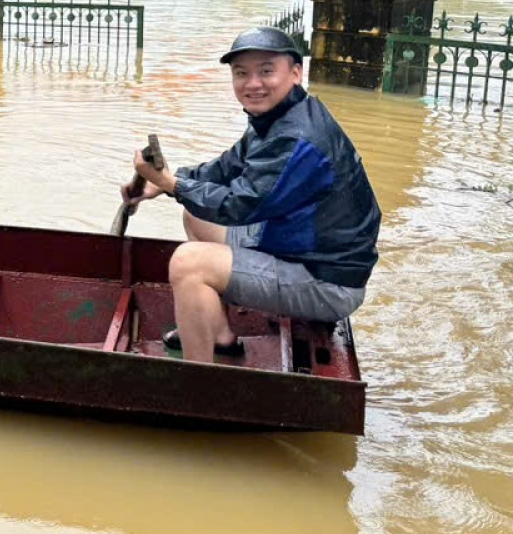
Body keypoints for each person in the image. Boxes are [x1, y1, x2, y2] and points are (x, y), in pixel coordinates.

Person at [124, 26, 381, 363]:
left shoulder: (297, 138)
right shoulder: (280, 115)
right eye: (241, 73)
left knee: (188, 263)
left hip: (326, 280)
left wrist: (174, 185)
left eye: (266, 71)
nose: (253, 84)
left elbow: (240, 204)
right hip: (301, 248)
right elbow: (229, 165)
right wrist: (171, 182)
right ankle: (219, 336)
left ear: (295, 72)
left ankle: (195, 379)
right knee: (195, 214)